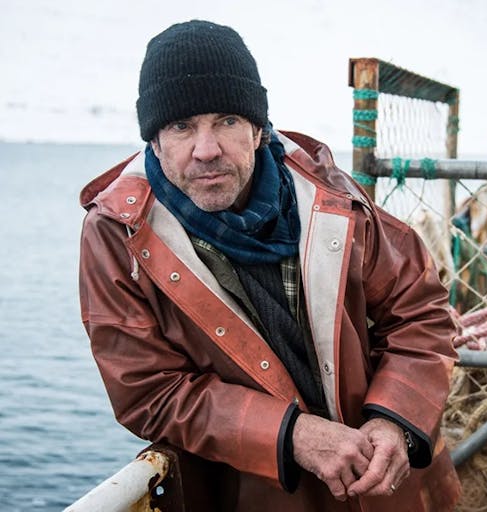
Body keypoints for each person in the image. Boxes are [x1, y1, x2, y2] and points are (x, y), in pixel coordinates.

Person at [78, 19, 461, 511]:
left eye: (227, 120)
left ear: (258, 128)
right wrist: (291, 434)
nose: (206, 149)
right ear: (153, 140)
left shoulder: (328, 194)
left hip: (388, 484)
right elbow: (147, 389)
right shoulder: (117, 233)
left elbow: (420, 311)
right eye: (181, 126)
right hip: (259, 493)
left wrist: (395, 419)